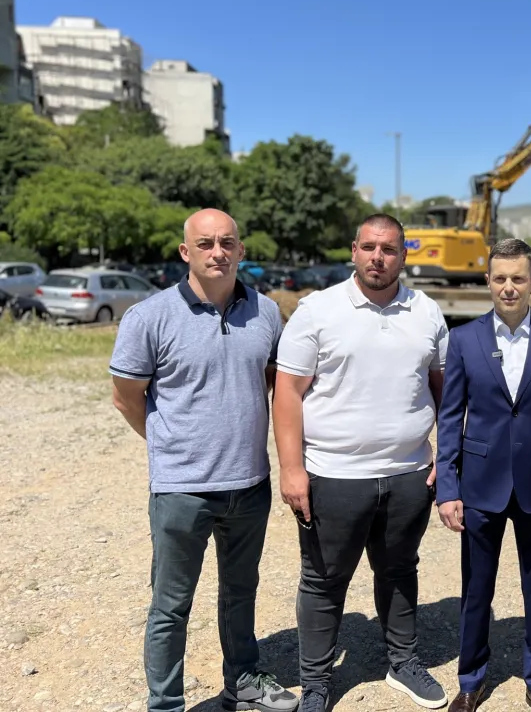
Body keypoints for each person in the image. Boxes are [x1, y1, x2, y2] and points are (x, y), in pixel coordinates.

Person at [109, 208, 297, 712]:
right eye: (206, 243)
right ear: (185, 252)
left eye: (227, 242)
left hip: (249, 484)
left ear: (240, 249)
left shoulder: (267, 313)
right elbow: (126, 397)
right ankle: (166, 704)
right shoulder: (149, 317)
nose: (218, 252)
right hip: (181, 490)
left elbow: (273, 385)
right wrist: (171, 445)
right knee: (171, 606)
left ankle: (243, 683)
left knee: (241, 593)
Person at [273, 213, 450, 712]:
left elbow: (445, 391)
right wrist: (291, 469)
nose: (378, 258)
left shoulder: (427, 312)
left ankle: (403, 662)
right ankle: (315, 682)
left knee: (399, 570)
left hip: (409, 474)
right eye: (369, 247)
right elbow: (287, 393)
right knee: (324, 580)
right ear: (354, 250)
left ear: (403, 256)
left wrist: (449, 456)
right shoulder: (317, 310)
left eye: (389, 249)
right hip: (334, 477)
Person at [435, 238, 531, 712]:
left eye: (518, 278)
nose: (508, 287)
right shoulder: (464, 339)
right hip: (480, 484)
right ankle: (471, 679)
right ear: (487, 281)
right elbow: (450, 417)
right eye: (500, 278)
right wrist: (447, 487)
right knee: (475, 589)